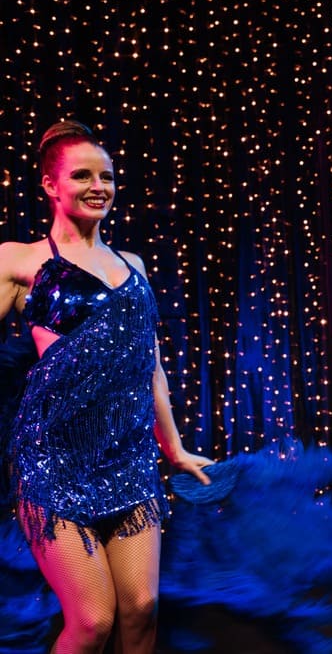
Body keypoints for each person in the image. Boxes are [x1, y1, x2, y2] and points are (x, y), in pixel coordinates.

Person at [0, 120, 213, 652]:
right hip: (54, 461)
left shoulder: (133, 265)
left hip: (128, 458)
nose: (99, 186)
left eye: (108, 176)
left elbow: (152, 368)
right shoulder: (21, 260)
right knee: (93, 620)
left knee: (141, 609)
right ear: (50, 185)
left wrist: (175, 448)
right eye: (82, 175)